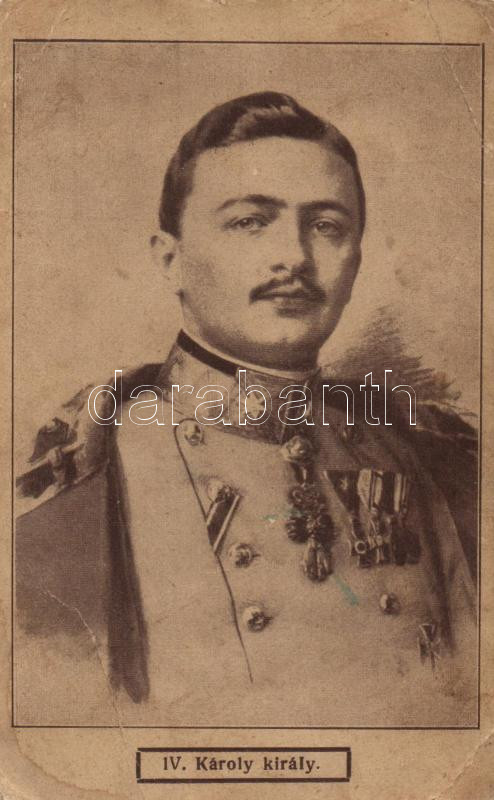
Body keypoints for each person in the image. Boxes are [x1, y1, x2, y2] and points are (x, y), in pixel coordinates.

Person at [15, 92, 477, 727]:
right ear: (170, 259)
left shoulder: (428, 459)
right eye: (250, 222)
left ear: (356, 261)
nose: (295, 257)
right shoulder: (82, 471)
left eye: (327, 226)